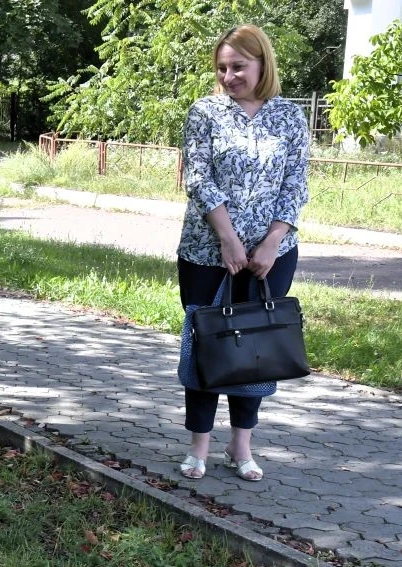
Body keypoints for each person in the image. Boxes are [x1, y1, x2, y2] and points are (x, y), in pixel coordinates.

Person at [175, 24, 309, 482]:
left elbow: (296, 184)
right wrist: (228, 238)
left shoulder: (290, 116)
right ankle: (198, 447)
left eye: (238, 67)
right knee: (207, 345)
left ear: (262, 64)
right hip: (206, 251)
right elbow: (197, 177)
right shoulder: (204, 112)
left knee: (255, 348)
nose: (229, 75)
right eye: (222, 68)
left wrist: (272, 241)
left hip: (272, 255)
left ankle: (241, 447)